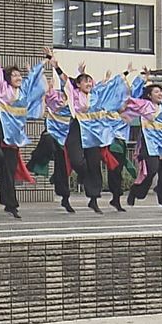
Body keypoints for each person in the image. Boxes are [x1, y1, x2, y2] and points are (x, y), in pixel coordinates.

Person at [0, 37, 47, 219]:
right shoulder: (3, 89)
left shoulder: (23, 93)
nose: (18, 77)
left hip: (13, 137)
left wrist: (45, 60)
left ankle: (11, 205)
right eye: (14, 75)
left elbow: (33, 78)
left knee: (7, 172)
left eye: (19, 75)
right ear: (8, 79)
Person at [60, 61, 131, 213]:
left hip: (94, 133)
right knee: (77, 161)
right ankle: (83, 177)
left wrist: (125, 73)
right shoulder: (74, 94)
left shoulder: (97, 95)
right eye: (84, 81)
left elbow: (111, 86)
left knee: (94, 165)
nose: (88, 83)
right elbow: (65, 82)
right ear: (78, 85)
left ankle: (93, 199)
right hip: (77, 130)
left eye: (89, 80)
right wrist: (56, 65)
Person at [122, 79, 162, 214]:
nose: (160, 94)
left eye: (161, 91)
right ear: (149, 95)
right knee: (152, 169)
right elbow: (130, 99)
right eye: (156, 91)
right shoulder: (144, 105)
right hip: (148, 143)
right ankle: (136, 191)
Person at [28, 63, 76, 213]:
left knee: (62, 169)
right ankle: (35, 161)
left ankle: (65, 198)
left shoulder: (75, 102)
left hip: (64, 138)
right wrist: (33, 73)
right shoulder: (53, 95)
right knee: (47, 143)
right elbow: (39, 88)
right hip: (51, 132)